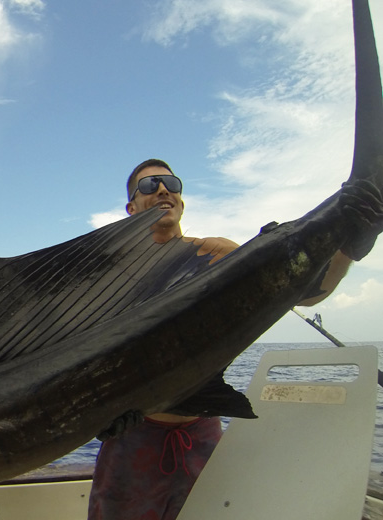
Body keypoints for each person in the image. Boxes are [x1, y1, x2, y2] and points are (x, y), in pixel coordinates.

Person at [87, 158, 364, 520]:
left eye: (170, 182)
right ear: (131, 208)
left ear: (181, 201)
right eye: (147, 186)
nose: (162, 190)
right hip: (132, 439)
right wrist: (98, 414)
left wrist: (350, 248)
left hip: (202, 434)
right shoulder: (112, 280)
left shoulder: (217, 254)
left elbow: (305, 292)